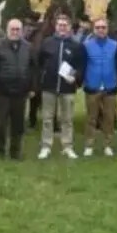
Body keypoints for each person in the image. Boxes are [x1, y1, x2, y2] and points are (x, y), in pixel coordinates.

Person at [37, 14, 85, 160]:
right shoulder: (47, 43)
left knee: (67, 119)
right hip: (49, 87)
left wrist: (76, 78)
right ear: (56, 27)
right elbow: (39, 62)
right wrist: (43, 76)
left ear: (70, 27)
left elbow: (81, 66)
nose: (62, 27)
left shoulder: (76, 46)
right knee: (47, 118)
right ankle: (46, 146)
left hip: (67, 88)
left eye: (65, 25)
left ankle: (67, 146)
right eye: (60, 25)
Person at [0, 19, 34, 160]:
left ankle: (15, 152)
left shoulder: (28, 47)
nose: (15, 32)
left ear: (21, 31)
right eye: (12, 29)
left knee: (18, 125)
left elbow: (33, 68)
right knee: (0, 124)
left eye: (17, 29)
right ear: (7, 30)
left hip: (21, 93)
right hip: (3, 92)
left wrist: (33, 87)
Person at [81, 17, 117, 157]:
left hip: (110, 86)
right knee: (91, 117)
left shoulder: (115, 45)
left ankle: (108, 145)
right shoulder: (86, 45)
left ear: (107, 29)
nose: (101, 30)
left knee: (109, 118)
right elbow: (82, 65)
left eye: (103, 27)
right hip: (92, 85)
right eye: (98, 27)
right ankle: (89, 145)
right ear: (93, 29)